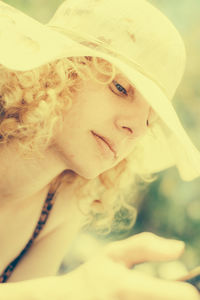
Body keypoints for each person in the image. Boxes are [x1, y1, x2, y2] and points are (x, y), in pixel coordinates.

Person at [0, 0, 199, 299]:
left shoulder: (61, 202)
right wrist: (73, 290)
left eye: (150, 120)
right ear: (56, 71)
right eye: (120, 88)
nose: (136, 128)